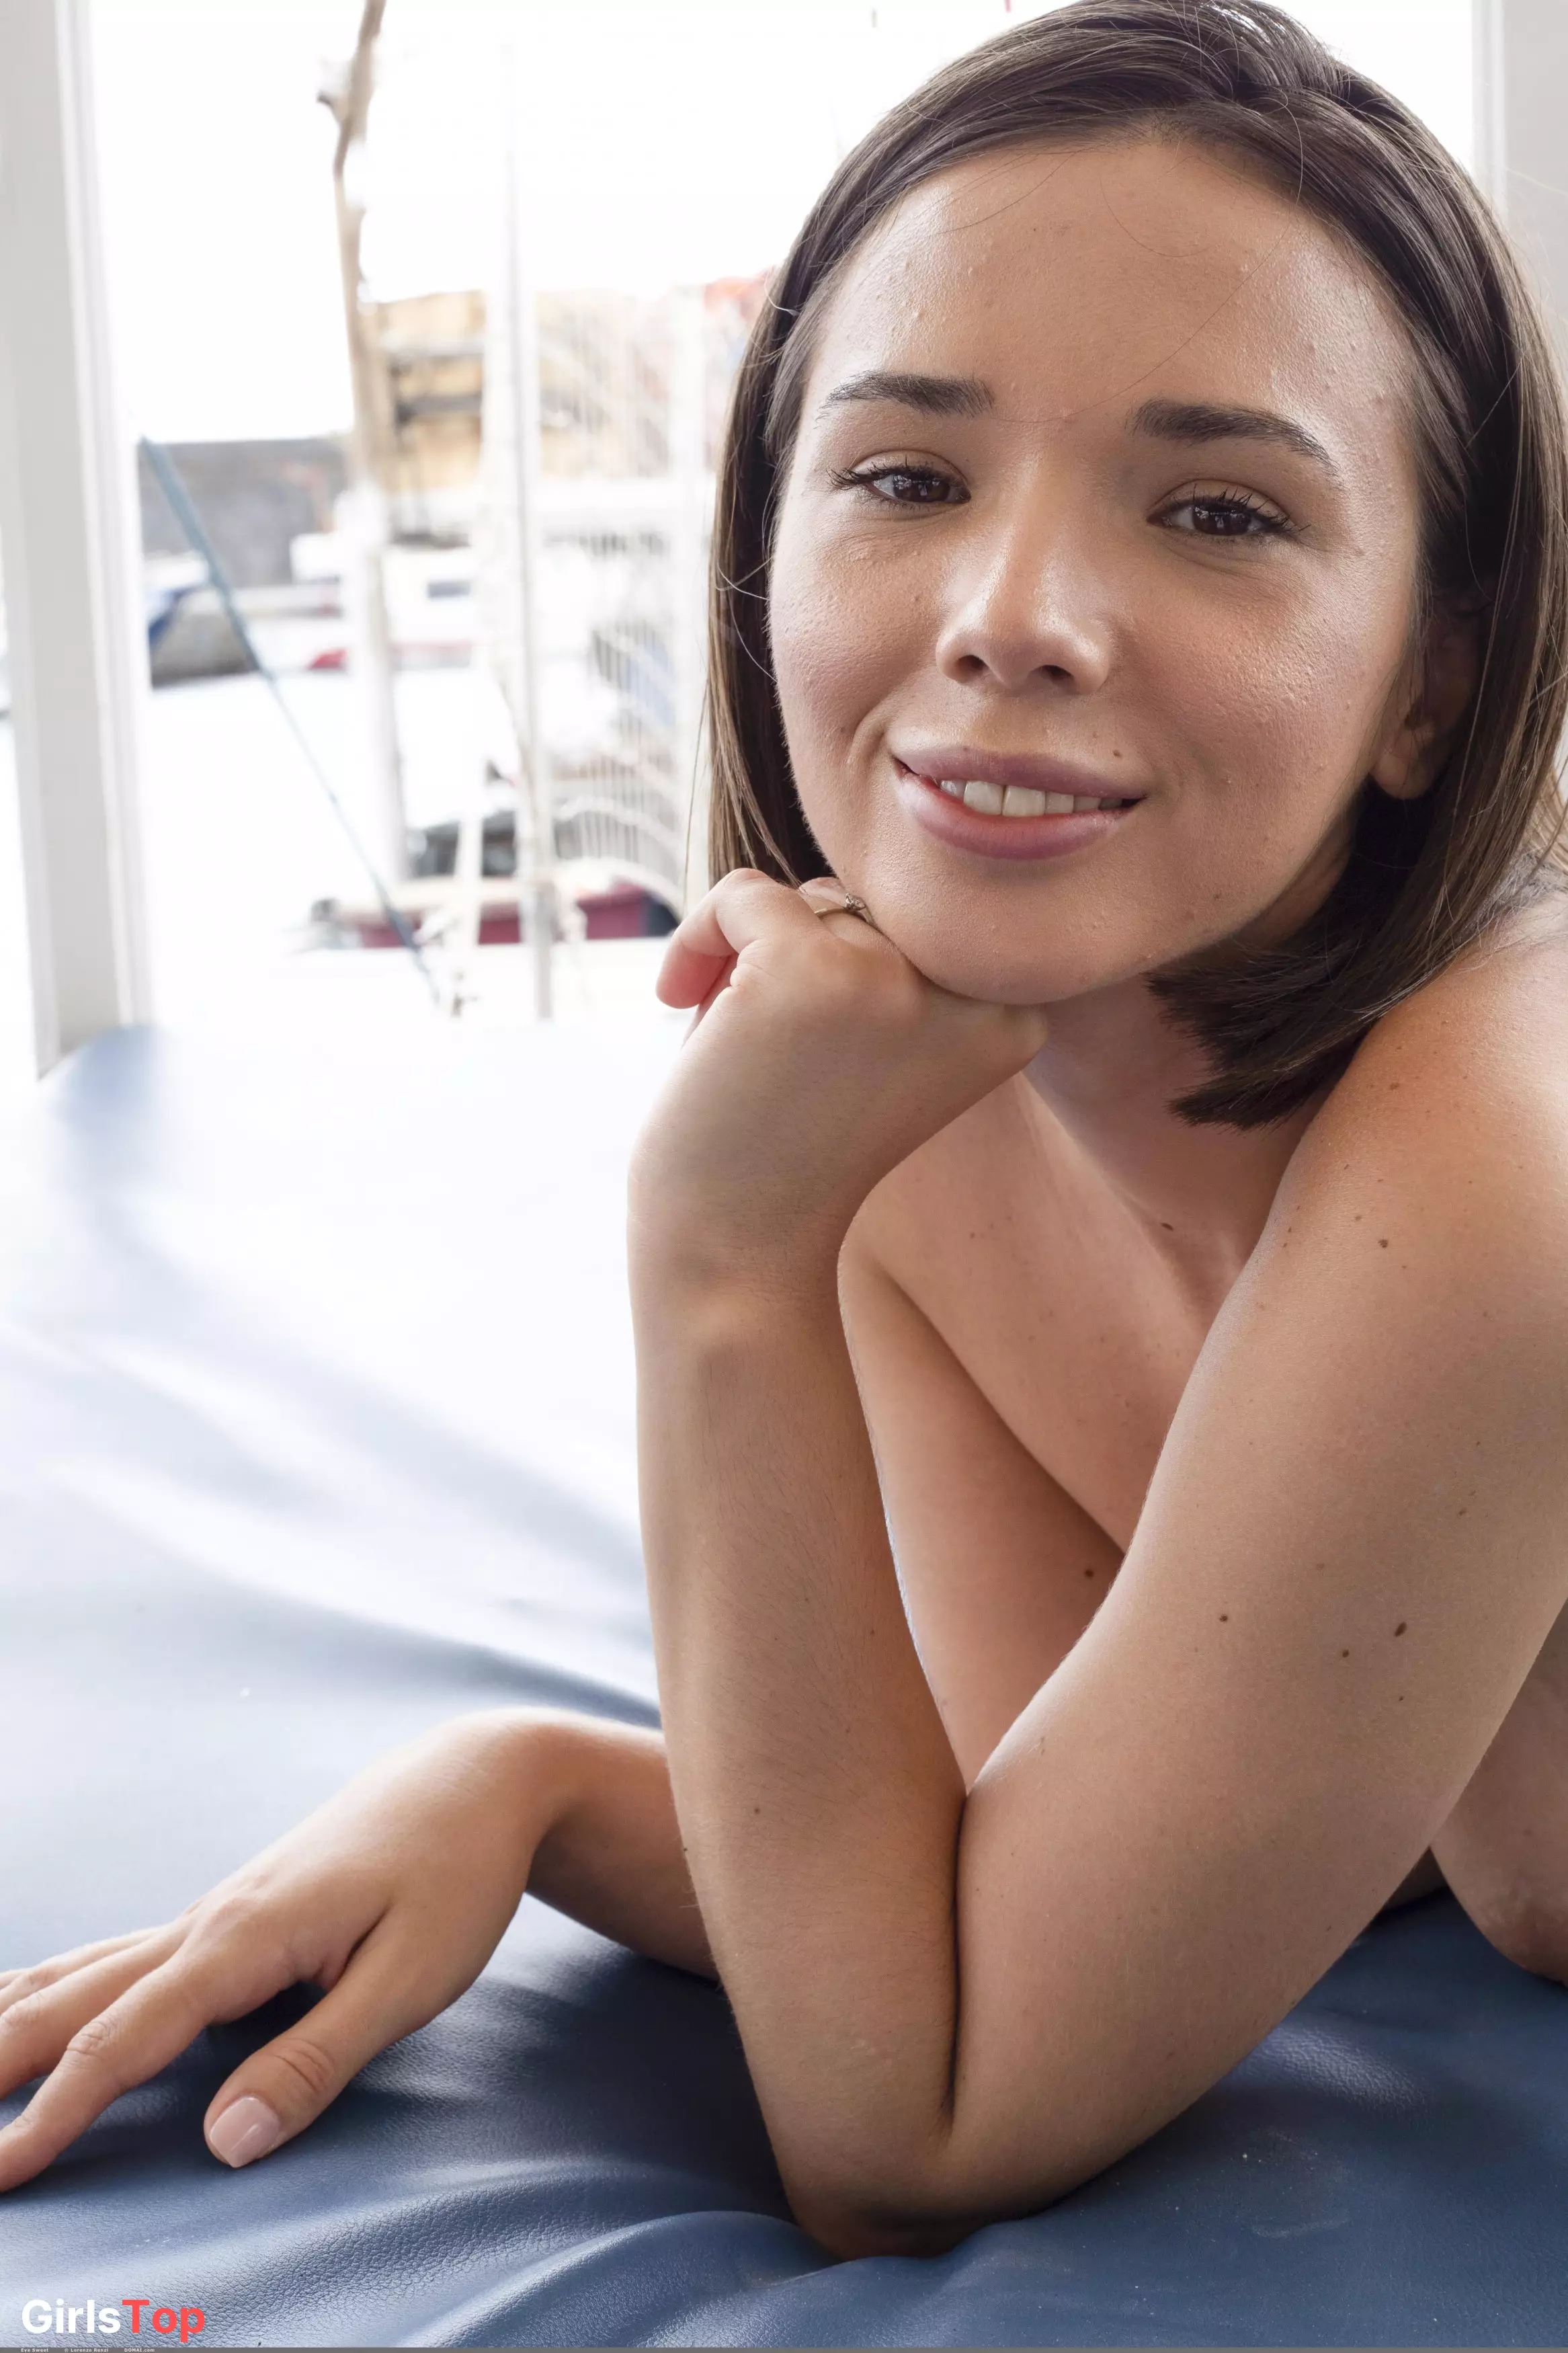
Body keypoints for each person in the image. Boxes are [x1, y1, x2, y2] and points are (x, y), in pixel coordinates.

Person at [4, 0, 1568, 2262]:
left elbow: (912, 2121)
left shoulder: (1504, 1151)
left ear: (1431, 674)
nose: (1010, 615)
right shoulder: (924, 1104)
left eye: (1218, 510)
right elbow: (996, 1887)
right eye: (906, 478)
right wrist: (530, 1781)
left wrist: (720, 1252)